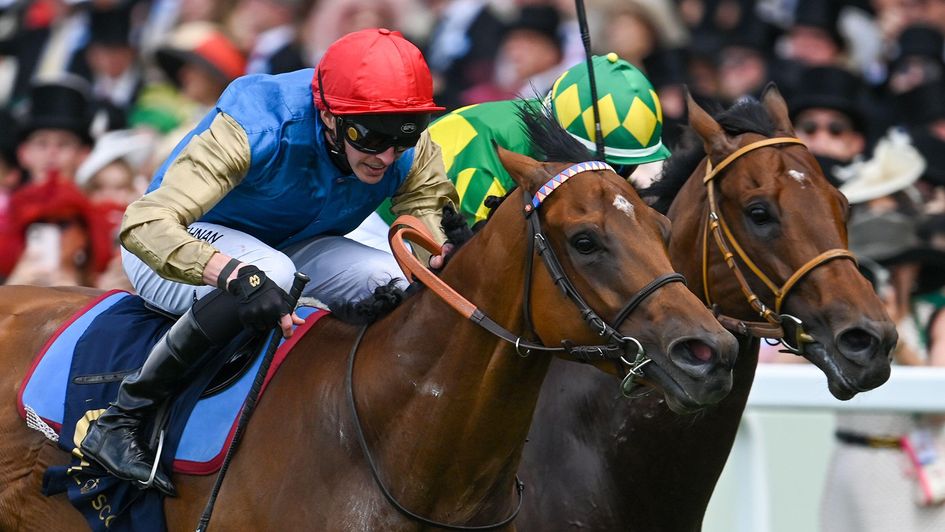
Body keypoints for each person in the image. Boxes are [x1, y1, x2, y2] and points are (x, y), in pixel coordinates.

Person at [79, 28, 459, 496]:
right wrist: (230, 273)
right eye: (370, 137)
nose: (386, 156)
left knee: (396, 281)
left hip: (291, 245)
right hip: (175, 248)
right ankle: (124, 417)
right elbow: (144, 224)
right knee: (270, 274)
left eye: (402, 137)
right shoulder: (255, 123)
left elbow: (427, 224)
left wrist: (442, 259)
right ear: (328, 116)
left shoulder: (404, 142)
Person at [432, 52, 670, 225]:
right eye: (606, 165)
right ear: (563, 140)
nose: (612, 177)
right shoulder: (486, 150)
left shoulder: (557, 131)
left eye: (623, 169)